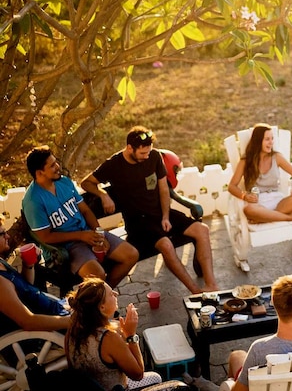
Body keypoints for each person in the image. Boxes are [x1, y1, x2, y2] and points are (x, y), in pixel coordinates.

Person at [80, 126, 219, 294]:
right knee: (167, 245)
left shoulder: (154, 156)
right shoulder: (114, 164)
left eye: (148, 152)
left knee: (202, 230)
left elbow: (163, 189)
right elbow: (86, 182)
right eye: (142, 153)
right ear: (130, 148)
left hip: (159, 213)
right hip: (138, 223)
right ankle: (196, 292)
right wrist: (103, 194)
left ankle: (211, 286)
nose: (147, 156)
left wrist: (166, 216)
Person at [22, 146, 138, 288]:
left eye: (56, 162)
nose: (58, 166)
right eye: (52, 165)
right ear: (40, 173)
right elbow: (45, 237)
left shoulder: (64, 182)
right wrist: (81, 236)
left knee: (131, 255)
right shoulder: (33, 200)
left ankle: (103, 295)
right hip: (68, 247)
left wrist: (100, 234)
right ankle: (100, 297)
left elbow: (85, 211)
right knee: (98, 275)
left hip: (89, 233)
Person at [65, 277, 179, 391]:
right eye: (111, 294)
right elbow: (138, 374)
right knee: (179, 389)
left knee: (155, 378)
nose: (116, 293)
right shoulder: (107, 338)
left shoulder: (72, 329)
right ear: (102, 307)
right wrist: (131, 335)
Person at [0, 216, 71, 335]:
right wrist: (72, 321)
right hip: (48, 332)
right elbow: (27, 321)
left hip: (56, 313)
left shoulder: (1, 263)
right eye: (2, 234)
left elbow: (26, 289)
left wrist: (28, 264)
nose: (8, 236)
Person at [227, 123, 292, 223]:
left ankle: (265, 218)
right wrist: (244, 196)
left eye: (272, 139)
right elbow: (232, 186)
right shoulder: (245, 161)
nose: (271, 142)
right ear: (258, 141)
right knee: (248, 210)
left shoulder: (276, 157)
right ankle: (289, 217)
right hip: (258, 203)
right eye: (267, 139)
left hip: (278, 200)